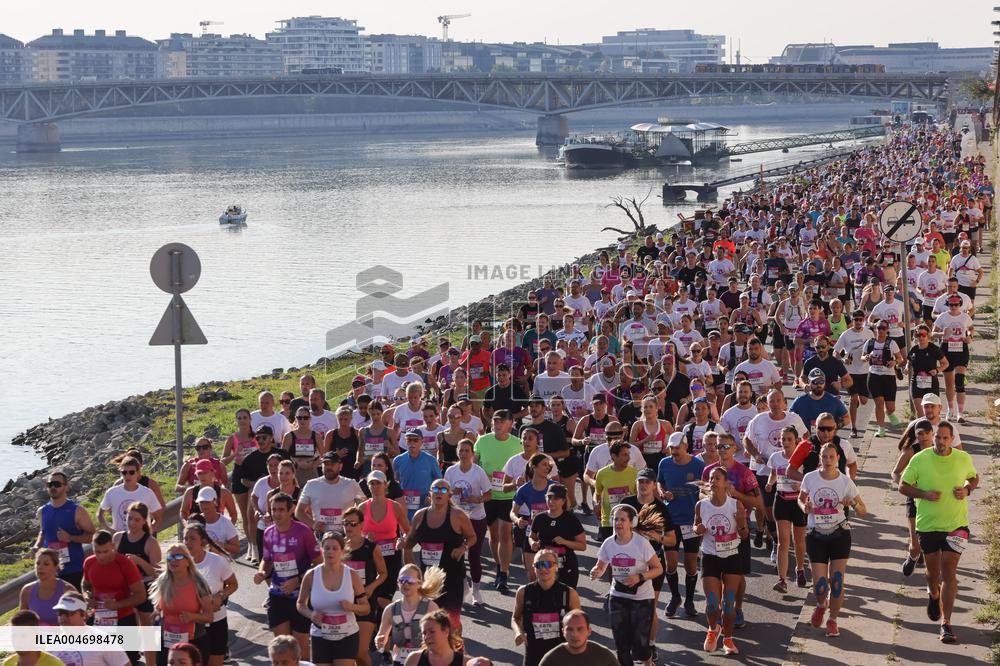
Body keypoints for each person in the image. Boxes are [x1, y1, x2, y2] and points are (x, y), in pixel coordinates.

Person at [899, 421, 978, 643]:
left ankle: (946, 623)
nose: (941, 441)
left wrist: (967, 489)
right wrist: (923, 494)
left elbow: (974, 477)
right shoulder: (920, 459)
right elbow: (902, 486)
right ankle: (933, 594)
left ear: (952, 439)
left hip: (957, 525)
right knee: (933, 574)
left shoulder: (963, 458)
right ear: (932, 438)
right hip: (928, 525)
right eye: (938, 438)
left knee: (949, 571)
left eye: (946, 438)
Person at [799, 443, 867, 638]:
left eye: (831, 457)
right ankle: (821, 604)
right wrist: (805, 506)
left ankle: (832, 620)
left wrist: (853, 503)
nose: (828, 461)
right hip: (816, 535)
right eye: (824, 457)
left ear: (838, 458)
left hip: (839, 534)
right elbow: (801, 499)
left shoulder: (845, 482)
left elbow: (863, 511)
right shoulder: (810, 478)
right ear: (820, 458)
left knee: (836, 581)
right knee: (820, 585)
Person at [589, 503, 662, 666]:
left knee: (640, 642)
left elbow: (658, 568)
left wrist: (640, 577)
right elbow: (601, 566)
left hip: (642, 598)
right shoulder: (608, 543)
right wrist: (596, 571)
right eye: (615, 519)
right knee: (621, 643)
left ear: (632, 523)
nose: (618, 523)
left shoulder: (641, 543)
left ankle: (647, 661)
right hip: (618, 596)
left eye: (622, 519)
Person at [701, 433, 762, 628]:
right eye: (719, 447)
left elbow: (758, 503)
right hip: (713, 531)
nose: (722, 450)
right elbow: (701, 498)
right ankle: (718, 610)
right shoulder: (709, 471)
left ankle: (738, 608)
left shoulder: (744, 472)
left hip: (737, 530)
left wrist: (736, 494)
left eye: (726, 447)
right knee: (715, 575)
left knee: (739, 574)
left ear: (735, 448)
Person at [404, 478, 477, 636]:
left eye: (443, 490)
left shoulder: (458, 516)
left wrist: (462, 547)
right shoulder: (419, 516)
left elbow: (472, 537)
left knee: (452, 621)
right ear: (430, 493)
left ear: (449, 495)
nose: (439, 492)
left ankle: (457, 651)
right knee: (430, 621)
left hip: (452, 577)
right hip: (428, 579)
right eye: (435, 489)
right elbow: (409, 543)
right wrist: (411, 571)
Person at [254, 493, 322, 661]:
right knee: (282, 648)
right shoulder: (268, 533)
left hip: (301, 597)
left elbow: (318, 563)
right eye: (274, 510)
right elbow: (267, 559)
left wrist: (298, 580)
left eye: (281, 510)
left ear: (291, 510)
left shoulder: (303, 531)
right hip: (277, 595)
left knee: (300, 648)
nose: (277, 514)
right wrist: (262, 572)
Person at [695, 466, 750, 655]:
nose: (713, 481)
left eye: (717, 478)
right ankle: (712, 630)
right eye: (711, 478)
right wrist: (698, 530)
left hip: (732, 555)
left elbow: (744, 536)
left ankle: (728, 639)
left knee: (728, 603)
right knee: (712, 603)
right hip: (710, 556)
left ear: (726, 483)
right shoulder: (701, 506)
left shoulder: (735, 505)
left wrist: (742, 524)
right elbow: (695, 528)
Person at [621, 469, 675, 655]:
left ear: (653, 485)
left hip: (653, 565)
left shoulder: (661, 509)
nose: (643, 485)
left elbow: (672, 540)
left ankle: (650, 645)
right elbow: (615, 530)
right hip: (627, 564)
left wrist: (656, 536)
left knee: (649, 610)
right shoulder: (626, 504)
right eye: (640, 481)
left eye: (647, 482)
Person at [296, 531, 370, 666]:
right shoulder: (311, 575)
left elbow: (366, 608)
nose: (330, 552)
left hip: (347, 635)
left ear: (342, 551)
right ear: (321, 549)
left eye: (335, 548)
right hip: (320, 635)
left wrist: (352, 607)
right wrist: (311, 614)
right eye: (327, 548)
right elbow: (300, 603)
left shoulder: (352, 575)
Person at [473, 410, 523, 594]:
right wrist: (486, 477)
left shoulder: (517, 443)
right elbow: (475, 463)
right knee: (493, 535)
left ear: (510, 423)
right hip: (488, 495)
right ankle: (499, 565)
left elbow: (523, 464)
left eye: (501, 421)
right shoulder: (482, 441)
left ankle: (503, 572)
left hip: (508, 495)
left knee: (505, 534)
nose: (497, 424)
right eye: (495, 421)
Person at [656, 432, 705, 619]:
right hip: (670, 520)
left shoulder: (698, 465)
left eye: (677, 447)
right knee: (671, 564)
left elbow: (705, 488)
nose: (674, 451)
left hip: (691, 521)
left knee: (691, 565)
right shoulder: (664, 463)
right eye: (671, 448)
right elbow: (660, 481)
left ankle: (689, 600)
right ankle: (675, 596)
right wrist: (662, 492)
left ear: (686, 446)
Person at [512, 549, 581, 666]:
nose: (543, 569)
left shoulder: (569, 593)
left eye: (548, 564)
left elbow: (580, 623)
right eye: (539, 565)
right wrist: (518, 632)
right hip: (533, 652)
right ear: (534, 568)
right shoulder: (524, 592)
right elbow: (515, 618)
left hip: (561, 653)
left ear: (556, 567)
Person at [444, 439, 492, 604]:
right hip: (456, 518)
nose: (464, 454)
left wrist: (477, 499)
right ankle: (464, 585)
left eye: (467, 450)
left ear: (472, 454)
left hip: (476, 517)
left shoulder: (478, 472)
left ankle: (476, 590)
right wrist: (451, 492)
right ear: (457, 452)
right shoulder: (450, 471)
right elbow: (444, 493)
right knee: (457, 554)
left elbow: (488, 494)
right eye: (461, 450)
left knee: (474, 555)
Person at [112, 502, 161, 665]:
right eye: (129, 518)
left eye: (137, 520)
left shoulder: (150, 542)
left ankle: (151, 663)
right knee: (129, 628)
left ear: (144, 521)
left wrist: (138, 561)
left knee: (147, 629)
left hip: (145, 586)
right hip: (124, 588)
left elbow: (157, 573)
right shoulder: (118, 538)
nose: (132, 523)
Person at [149, 545, 214, 665]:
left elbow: (210, 616)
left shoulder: (199, 583)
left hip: (193, 642)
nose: (173, 560)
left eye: (178, 556)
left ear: (188, 562)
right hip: (167, 641)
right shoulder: (163, 581)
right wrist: (156, 612)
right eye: (170, 557)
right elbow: (159, 605)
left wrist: (193, 616)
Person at [183, 523, 238, 666]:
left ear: (203, 541)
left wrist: (220, 596)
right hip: (191, 623)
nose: (188, 542)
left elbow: (233, 584)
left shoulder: (217, 561)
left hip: (216, 621)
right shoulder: (180, 564)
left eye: (192, 539)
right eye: (185, 539)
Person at [360, 469, 411, 618]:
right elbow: (353, 533)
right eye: (372, 483)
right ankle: (375, 630)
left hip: (391, 557)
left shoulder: (395, 507)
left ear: (385, 485)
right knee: (371, 596)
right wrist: (364, 537)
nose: (375, 486)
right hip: (370, 558)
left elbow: (407, 531)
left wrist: (402, 540)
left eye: (378, 483)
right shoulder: (362, 508)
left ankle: (386, 631)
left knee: (384, 599)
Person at [237, 425, 291, 562]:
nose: (260, 440)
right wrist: (258, 485)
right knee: (251, 513)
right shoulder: (250, 458)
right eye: (258, 438)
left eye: (264, 437)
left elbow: (291, 471)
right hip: (259, 489)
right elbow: (243, 479)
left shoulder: (282, 454)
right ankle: (254, 547)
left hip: (282, 487)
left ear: (271, 438)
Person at [342, 507, 387, 666]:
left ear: (362, 525)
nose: (348, 528)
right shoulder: (338, 548)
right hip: (343, 604)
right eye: (345, 524)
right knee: (347, 653)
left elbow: (383, 573)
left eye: (353, 524)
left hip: (365, 602)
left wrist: (370, 588)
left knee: (360, 652)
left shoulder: (371, 547)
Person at [35, 470, 95, 590]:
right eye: (49, 484)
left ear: (66, 487)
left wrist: (71, 538)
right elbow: (43, 532)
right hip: (50, 573)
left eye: (57, 484)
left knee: (75, 608)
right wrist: (37, 546)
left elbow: (94, 536)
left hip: (73, 571)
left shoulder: (77, 510)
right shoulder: (42, 511)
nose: (53, 487)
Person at [764, 426, 808, 591]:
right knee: (783, 542)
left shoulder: (803, 457)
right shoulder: (775, 457)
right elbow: (774, 472)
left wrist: (800, 484)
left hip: (798, 502)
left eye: (789, 439)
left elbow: (809, 477)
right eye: (783, 439)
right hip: (781, 500)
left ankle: (800, 569)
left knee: (799, 541)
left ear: (796, 441)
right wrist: (770, 483)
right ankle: (782, 580)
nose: (785, 442)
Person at [374, 564, 443, 665]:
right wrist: (379, 641)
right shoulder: (390, 610)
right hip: (399, 661)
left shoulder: (431, 608)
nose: (405, 584)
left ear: (419, 583)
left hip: (425, 660)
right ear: (398, 583)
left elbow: (441, 638)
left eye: (409, 580)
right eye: (402, 580)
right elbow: (381, 636)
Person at [82, 530, 146, 635]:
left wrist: (117, 605)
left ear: (113, 546)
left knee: (128, 652)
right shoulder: (89, 562)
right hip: (98, 619)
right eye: (97, 552)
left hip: (124, 619)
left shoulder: (125, 564)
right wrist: (87, 597)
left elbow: (141, 595)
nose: (101, 556)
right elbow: (85, 585)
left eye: (105, 551)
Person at [893, 419, 935, 577]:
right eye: (920, 434)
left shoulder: (940, 450)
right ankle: (913, 555)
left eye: (926, 433)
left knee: (934, 540)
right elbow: (895, 472)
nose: (924, 437)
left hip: (934, 499)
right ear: (916, 436)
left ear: (932, 433)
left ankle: (933, 575)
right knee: (915, 543)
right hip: (914, 498)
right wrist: (905, 486)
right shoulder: (911, 451)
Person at [49, 593, 131, 666]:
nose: (63, 617)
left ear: (83, 614)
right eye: (60, 613)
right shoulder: (52, 645)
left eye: (68, 613)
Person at [528, 484, 586, 589]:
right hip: (545, 566)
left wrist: (565, 542)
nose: (551, 501)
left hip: (566, 565)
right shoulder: (540, 518)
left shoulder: (571, 519)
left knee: (566, 599)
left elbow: (582, 546)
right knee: (546, 598)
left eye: (556, 498)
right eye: (549, 497)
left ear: (563, 501)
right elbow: (531, 536)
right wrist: (532, 543)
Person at [510, 453, 557, 581]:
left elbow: (567, 508)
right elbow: (513, 512)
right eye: (544, 464)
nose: (547, 468)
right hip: (531, 534)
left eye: (549, 465)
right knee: (532, 575)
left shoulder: (554, 487)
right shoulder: (524, 490)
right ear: (534, 467)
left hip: (551, 534)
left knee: (551, 575)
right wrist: (517, 520)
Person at [296, 452, 364, 536]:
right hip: (321, 535)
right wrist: (313, 524)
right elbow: (299, 512)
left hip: (345, 534)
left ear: (340, 466)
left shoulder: (351, 484)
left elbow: (364, 507)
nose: (328, 467)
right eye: (326, 464)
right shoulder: (311, 485)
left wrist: (355, 525)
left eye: (332, 464)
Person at [933, 295, 975, 422]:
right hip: (946, 349)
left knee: (960, 382)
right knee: (949, 384)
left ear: (960, 305)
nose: (954, 307)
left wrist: (970, 337)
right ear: (948, 305)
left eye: (956, 305)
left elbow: (971, 329)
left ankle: (960, 414)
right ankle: (951, 410)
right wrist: (942, 334)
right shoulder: (943, 317)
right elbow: (933, 333)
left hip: (961, 349)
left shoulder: (965, 316)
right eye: (951, 305)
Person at [221, 408, 258, 552]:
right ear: (236, 421)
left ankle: (257, 543)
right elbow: (222, 461)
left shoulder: (257, 436)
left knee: (253, 514)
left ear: (250, 419)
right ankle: (251, 545)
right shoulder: (232, 439)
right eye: (239, 418)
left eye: (244, 417)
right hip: (239, 474)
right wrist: (235, 454)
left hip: (256, 474)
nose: (242, 420)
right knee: (245, 514)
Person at [833, 310, 873, 438]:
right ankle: (853, 427)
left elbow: (875, 348)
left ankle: (851, 405)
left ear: (864, 320)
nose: (858, 322)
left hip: (865, 371)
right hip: (850, 372)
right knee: (854, 398)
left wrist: (869, 356)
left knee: (864, 400)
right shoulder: (846, 335)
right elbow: (835, 352)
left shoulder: (869, 333)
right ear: (852, 320)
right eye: (856, 320)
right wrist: (843, 359)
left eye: (861, 319)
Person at [99, 456, 163, 533]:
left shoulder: (147, 493)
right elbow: (100, 514)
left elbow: (158, 518)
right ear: (121, 473)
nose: (127, 475)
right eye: (124, 472)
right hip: (119, 541)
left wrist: (147, 535)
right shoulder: (112, 492)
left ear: (138, 473)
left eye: (131, 472)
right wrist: (109, 530)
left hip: (140, 542)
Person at [863, 320, 904, 437]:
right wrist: (865, 357)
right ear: (875, 329)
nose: (881, 330)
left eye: (883, 328)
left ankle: (890, 414)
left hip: (888, 377)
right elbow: (862, 356)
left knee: (891, 407)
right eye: (878, 328)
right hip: (874, 376)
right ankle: (881, 428)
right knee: (879, 403)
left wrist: (894, 362)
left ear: (887, 330)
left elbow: (900, 358)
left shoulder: (892, 343)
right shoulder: (870, 343)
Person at [536, 609, 619, 666]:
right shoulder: (551, 659)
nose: (574, 634)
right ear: (563, 632)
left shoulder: (604, 655)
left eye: (580, 629)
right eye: (569, 629)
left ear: (589, 631)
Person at [594, 441, 638, 543]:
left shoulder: (634, 473)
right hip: (609, 522)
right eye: (624, 455)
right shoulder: (602, 473)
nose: (628, 458)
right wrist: (596, 504)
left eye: (628, 454)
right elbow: (598, 494)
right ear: (614, 456)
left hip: (628, 522)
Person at [19, 549, 76, 626]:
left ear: (56, 567)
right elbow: (21, 623)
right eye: (38, 563)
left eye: (46, 564)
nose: (40, 567)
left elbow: (77, 622)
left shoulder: (67, 590)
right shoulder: (27, 590)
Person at [394, 430, 443, 519]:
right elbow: (395, 482)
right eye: (409, 440)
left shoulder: (431, 460)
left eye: (415, 440)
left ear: (422, 442)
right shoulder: (398, 460)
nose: (412, 443)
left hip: (425, 508)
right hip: (405, 508)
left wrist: (431, 496)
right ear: (405, 441)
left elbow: (439, 483)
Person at [180, 459, 238, 526]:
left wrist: (227, 529)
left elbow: (233, 514)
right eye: (199, 473)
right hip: (197, 532)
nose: (202, 476)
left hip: (216, 533)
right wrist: (187, 525)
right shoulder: (190, 492)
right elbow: (183, 512)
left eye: (205, 473)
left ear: (212, 472)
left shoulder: (224, 493)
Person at [908, 324, 948, 417]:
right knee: (920, 412)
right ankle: (921, 430)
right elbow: (909, 361)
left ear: (928, 336)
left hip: (931, 383)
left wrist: (937, 370)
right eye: (918, 335)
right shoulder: (913, 349)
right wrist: (906, 368)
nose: (921, 337)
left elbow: (945, 363)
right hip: (916, 383)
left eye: (923, 335)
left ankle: (932, 430)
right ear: (915, 336)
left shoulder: (934, 349)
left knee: (932, 413)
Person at [284, 406, 326, 488]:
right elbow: (283, 456)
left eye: (305, 418)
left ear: (310, 419)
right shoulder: (289, 436)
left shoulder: (316, 436)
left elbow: (324, 455)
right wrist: (297, 463)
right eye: (299, 418)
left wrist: (314, 464)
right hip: (294, 473)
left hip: (311, 472)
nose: (302, 420)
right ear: (296, 419)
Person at [192, 488, 240, 557]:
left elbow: (236, 549)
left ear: (215, 502)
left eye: (207, 502)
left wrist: (219, 545)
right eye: (202, 502)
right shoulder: (195, 522)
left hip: (221, 564)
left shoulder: (226, 523)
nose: (204, 505)